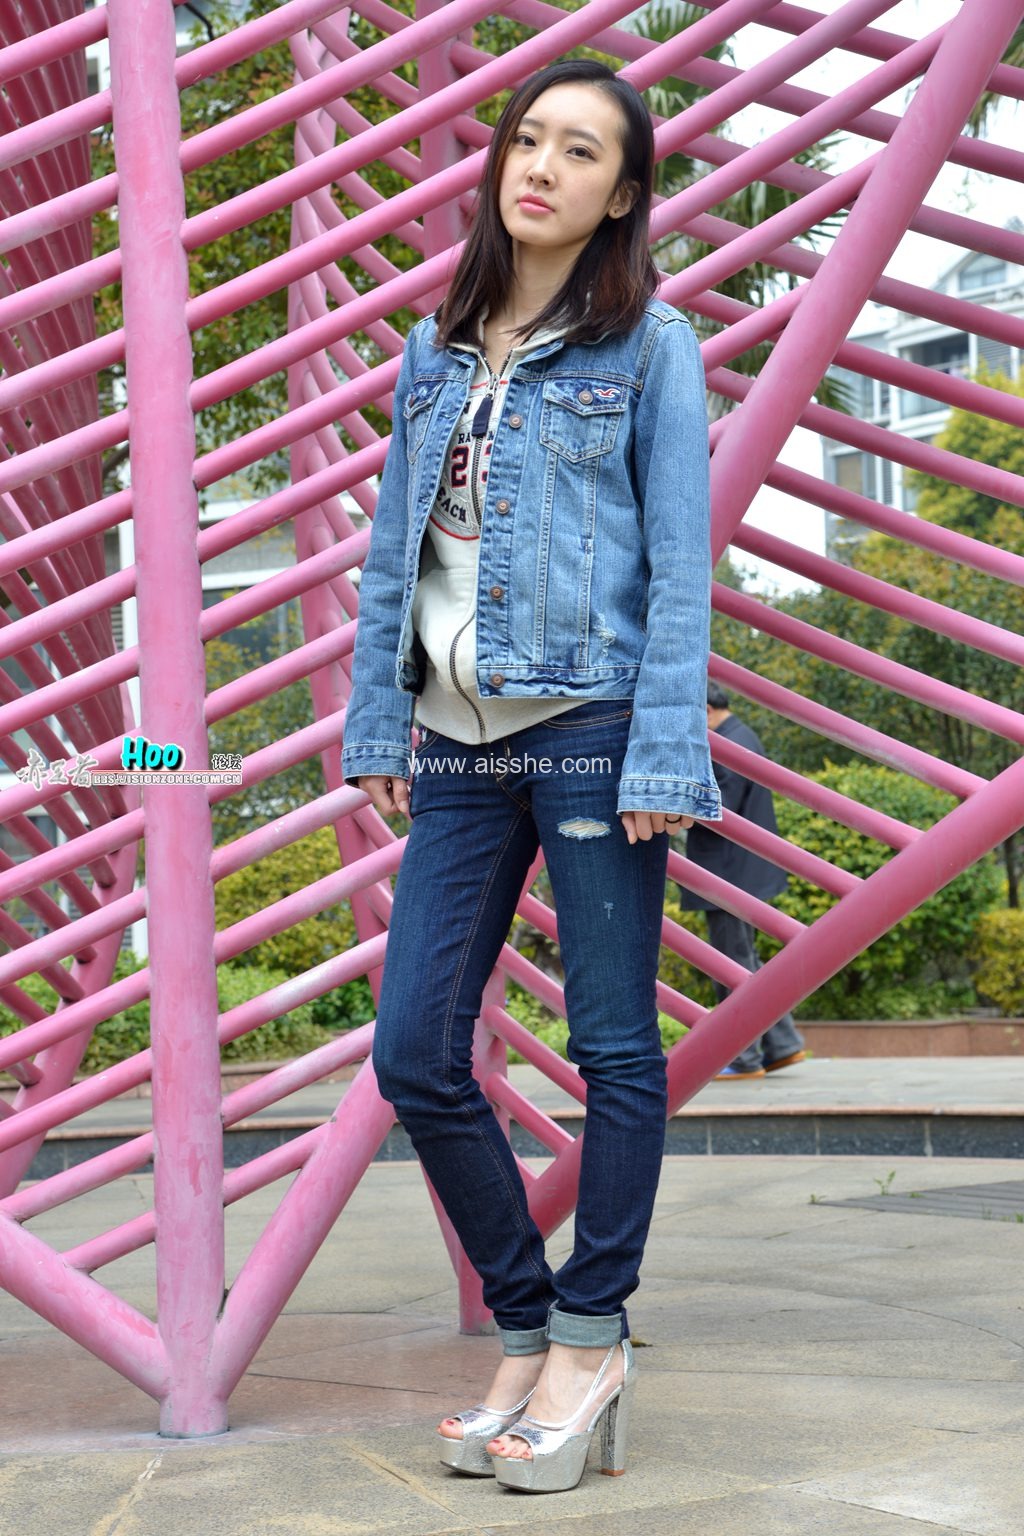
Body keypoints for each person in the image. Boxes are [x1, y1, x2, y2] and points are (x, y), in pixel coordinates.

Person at [341, 58, 721, 1494]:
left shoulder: (651, 348)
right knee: (415, 1054)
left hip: (596, 728)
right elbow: (396, 552)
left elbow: (679, 563)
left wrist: (667, 746)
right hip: (455, 742)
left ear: (621, 195)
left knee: (615, 1047)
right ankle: (527, 1320)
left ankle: (588, 1334)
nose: (542, 167)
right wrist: (378, 721)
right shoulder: (433, 350)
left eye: (580, 152)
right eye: (527, 141)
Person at [675, 683, 807, 1078]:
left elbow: (720, 811)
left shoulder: (727, 746)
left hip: (728, 876)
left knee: (729, 966)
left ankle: (744, 1057)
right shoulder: (742, 738)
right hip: (741, 872)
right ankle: (782, 1046)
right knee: (745, 964)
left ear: (706, 710)